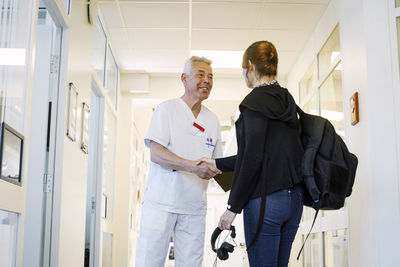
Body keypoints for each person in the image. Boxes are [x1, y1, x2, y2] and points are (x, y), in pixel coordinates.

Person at [200, 41, 304, 266]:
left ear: (250, 66)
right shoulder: (287, 101)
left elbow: (252, 159)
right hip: (293, 200)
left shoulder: (254, 103)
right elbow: (262, 154)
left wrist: (232, 208)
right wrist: (216, 162)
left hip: (267, 202)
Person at [135, 56, 223, 267]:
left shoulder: (212, 120)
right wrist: (193, 166)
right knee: (149, 261)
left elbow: (218, 163)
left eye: (210, 77)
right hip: (160, 203)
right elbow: (156, 153)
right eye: (200, 75)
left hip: (193, 206)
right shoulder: (166, 110)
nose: (207, 81)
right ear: (184, 79)